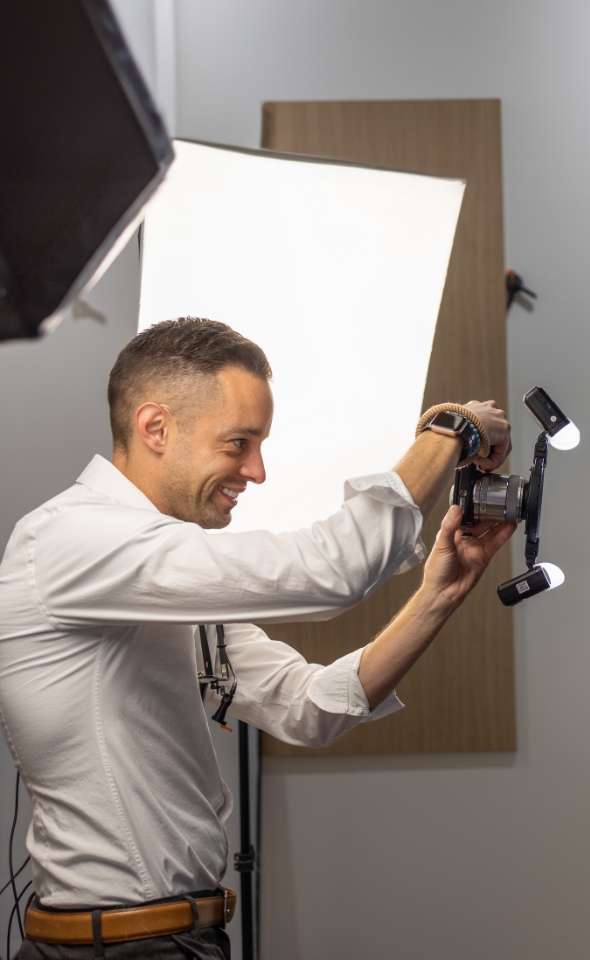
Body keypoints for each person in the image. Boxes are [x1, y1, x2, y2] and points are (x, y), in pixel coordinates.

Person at [0, 317, 515, 959]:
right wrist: (451, 427)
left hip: (179, 939)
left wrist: (439, 596)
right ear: (155, 428)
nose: (257, 470)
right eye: (238, 443)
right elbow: (335, 569)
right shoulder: (72, 541)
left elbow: (309, 708)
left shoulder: (156, 574)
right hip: (118, 950)